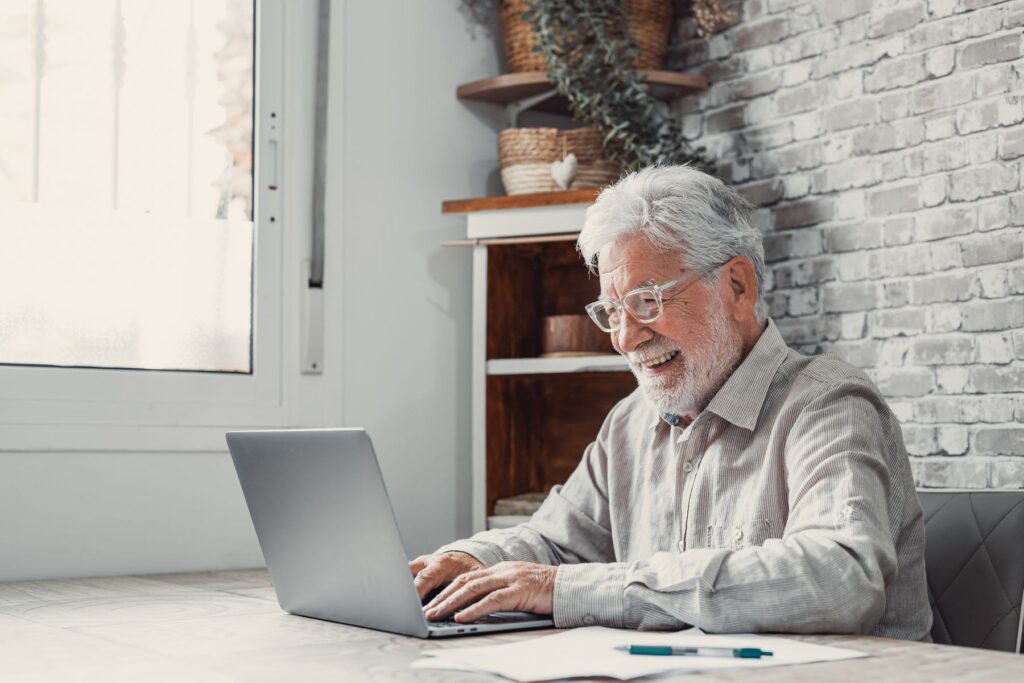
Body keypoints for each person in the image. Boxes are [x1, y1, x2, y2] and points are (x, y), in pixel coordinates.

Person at [411, 165, 933, 640]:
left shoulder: (828, 403)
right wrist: (471, 561)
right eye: (612, 311)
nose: (624, 338)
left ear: (737, 287)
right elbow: (554, 545)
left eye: (648, 301)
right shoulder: (629, 423)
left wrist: (568, 588)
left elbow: (838, 577)